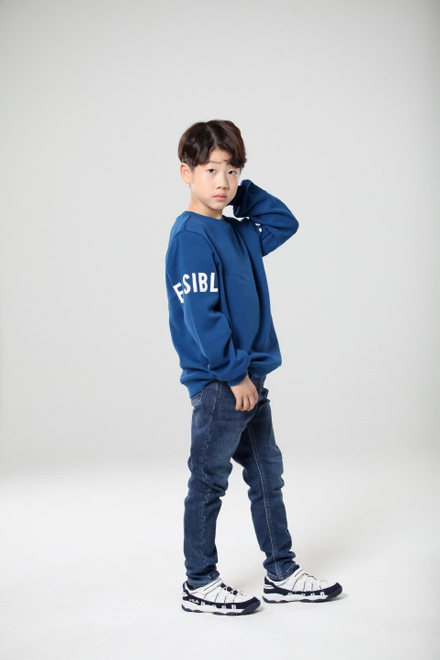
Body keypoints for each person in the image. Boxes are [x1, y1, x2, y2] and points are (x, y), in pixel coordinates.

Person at [165, 119, 342, 615]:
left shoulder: (239, 232)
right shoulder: (192, 236)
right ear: (186, 172)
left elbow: (284, 222)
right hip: (223, 382)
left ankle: (281, 572)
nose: (223, 181)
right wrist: (233, 373)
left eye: (232, 170)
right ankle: (199, 582)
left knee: (267, 475)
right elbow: (202, 315)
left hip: (251, 378)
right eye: (211, 170)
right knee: (209, 480)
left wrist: (241, 193)